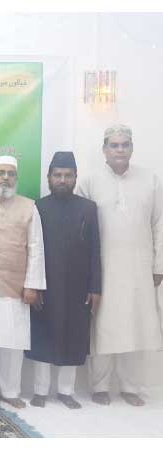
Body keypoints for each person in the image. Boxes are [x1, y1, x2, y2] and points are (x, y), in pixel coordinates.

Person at [76, 124, 163, 407]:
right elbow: (80, 227)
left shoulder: (151, 180)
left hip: (139, 266)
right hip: (103, 266)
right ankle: (99, 385)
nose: (120, 150)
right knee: (103, 325)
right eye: (114, 145)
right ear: (104, 149)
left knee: (136, 324)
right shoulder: (89, 181)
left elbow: (159, 224)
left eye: (125, 144)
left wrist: (158, 265)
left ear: (132, 148)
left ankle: (130, 386)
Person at [25, 151, 101, 409]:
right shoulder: (38, 207)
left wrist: (95, 287)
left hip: (78, 287)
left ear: (75, 178)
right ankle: (39, 391)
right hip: (47, 285)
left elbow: (95, 250)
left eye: (68, 176)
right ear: (48, 177)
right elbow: (32, 249)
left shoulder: (88, 208)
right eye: (57, 175)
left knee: (74, 335)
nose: (62, 180)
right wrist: (33, 286)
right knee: (43, 336)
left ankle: (66, 392)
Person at [0, 155, 46, 409]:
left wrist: (32, 285)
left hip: (15, 284)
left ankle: (10, 391)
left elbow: (36, 248)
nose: (5, 177)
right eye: (0, 172)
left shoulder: (28, 207)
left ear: (16, 178)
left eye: (10, 173)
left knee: (12, 341)